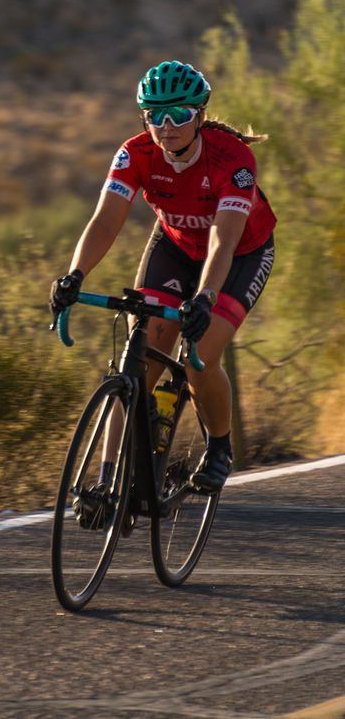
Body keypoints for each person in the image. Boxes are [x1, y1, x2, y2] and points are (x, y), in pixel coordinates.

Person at [49, 60, 276, 493]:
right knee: (139, 359)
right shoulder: (134, 153)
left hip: (240, 253)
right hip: (174, 245)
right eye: (156, 116)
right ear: (145, 118)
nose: (167, 126)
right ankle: (107, 480)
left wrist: (205, 298)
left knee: (200, 356)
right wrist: (74, 274)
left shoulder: (234, 160)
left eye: (179, 114)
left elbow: (221, 244)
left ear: (201, 116)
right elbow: (105, 221)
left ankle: (220, 446)